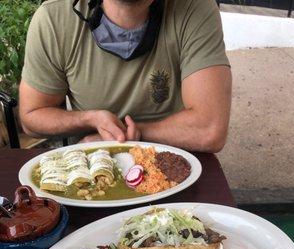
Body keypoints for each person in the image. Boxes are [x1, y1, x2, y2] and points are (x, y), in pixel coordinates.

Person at [19, 0, 232, 152]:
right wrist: (91, 119)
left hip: (176, 156)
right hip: (93, 164)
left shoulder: (196, 8)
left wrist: (128, 136)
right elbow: (32, 116)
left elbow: (210, 129)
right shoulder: (54, 18)